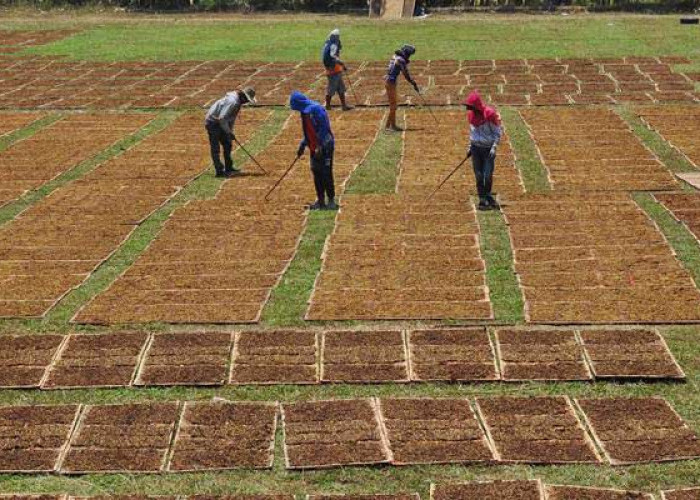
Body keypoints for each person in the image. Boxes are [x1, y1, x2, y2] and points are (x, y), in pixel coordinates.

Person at [289, 91, 337, 210]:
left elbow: (324, 128)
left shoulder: (316, 109)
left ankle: (331, 201)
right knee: (316, 173)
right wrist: (303, 144)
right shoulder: (304, 113)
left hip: (325, 146)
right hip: (313, 147)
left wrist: (319, 146)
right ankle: (320, 201)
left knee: (326, 173)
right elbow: (308, 131)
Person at [204, 87, 256, 178]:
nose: (247, 102)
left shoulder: (238, 102)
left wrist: (230, 131)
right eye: (247, 100)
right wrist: (228, 132)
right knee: (215, 148)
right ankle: (219, 171)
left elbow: (231, 118)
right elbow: (222, 119)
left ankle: (229, 167)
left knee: (228, 144)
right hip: (213, 122)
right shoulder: (233, 102)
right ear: (243, 97)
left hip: (222, 122)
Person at [463, 91, 502, 211]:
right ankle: (482, 198)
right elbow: (473, 133)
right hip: (476, 148)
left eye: (472, 107)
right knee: (479, 175)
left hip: (487, 149)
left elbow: (497, 132)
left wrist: (494, 147)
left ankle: (488, 195)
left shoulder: (489, 114)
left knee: (487, 174)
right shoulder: (471, 116)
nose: (471, 110)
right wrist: (470, 147)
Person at [384, 44, 419, 131]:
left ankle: (389, 125)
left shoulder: (396, 56)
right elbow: (406, 74)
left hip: (390, 82)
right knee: (393, 106)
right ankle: (391, 126)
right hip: (390, 83)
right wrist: (413, 83)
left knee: (394, 105)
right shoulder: (401, 60)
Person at [322, 29, 352, 111]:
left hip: (336, 70)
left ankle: (344, 106)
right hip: (333, 71)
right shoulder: (333, 45)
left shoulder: (328, 43)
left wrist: (341, 66)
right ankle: (327, 106)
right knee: (331, 89)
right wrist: (342, 63)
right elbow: (333, 56)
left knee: (341, 88)